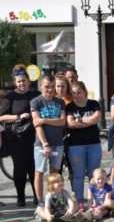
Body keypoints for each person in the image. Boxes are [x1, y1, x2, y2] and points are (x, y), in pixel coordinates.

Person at [0, 65, 40, 206]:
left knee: (34, 167)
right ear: (14, 82)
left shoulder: (36, 94)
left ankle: (37, 196)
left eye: (24, 80)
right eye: (19, 81)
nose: (21, 83)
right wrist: (18, 116)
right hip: (17, 138)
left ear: (29, 81)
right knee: (20, 168)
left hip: (34, 137)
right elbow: (1, 117)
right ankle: (21, 197)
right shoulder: (10, 97)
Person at [66, 81, 102, 212]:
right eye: (73, 93)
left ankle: (95, 201)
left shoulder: (93, 104)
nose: (76, 95)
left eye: (78, 93)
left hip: (94, 144)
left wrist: (80, 121)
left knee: (94, 175)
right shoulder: (70, 107)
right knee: (78, 175)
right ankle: (80, 202)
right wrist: (88, 122)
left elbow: (96, 118)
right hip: (75, 146)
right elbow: (70, 123)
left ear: (84, 92)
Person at [31, 74, 66, 206]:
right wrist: (45, 144)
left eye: (52, 87)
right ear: (41, 86)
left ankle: (53, 199)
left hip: (58, 143)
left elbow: (62, 121)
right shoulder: (36, 102)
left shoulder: (60, 102)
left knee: (54, 174)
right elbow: (37, 125)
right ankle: (40, 202)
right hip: (41, 144)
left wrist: (44, 120)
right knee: (39, 173)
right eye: (47, 87)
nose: (50, 90)